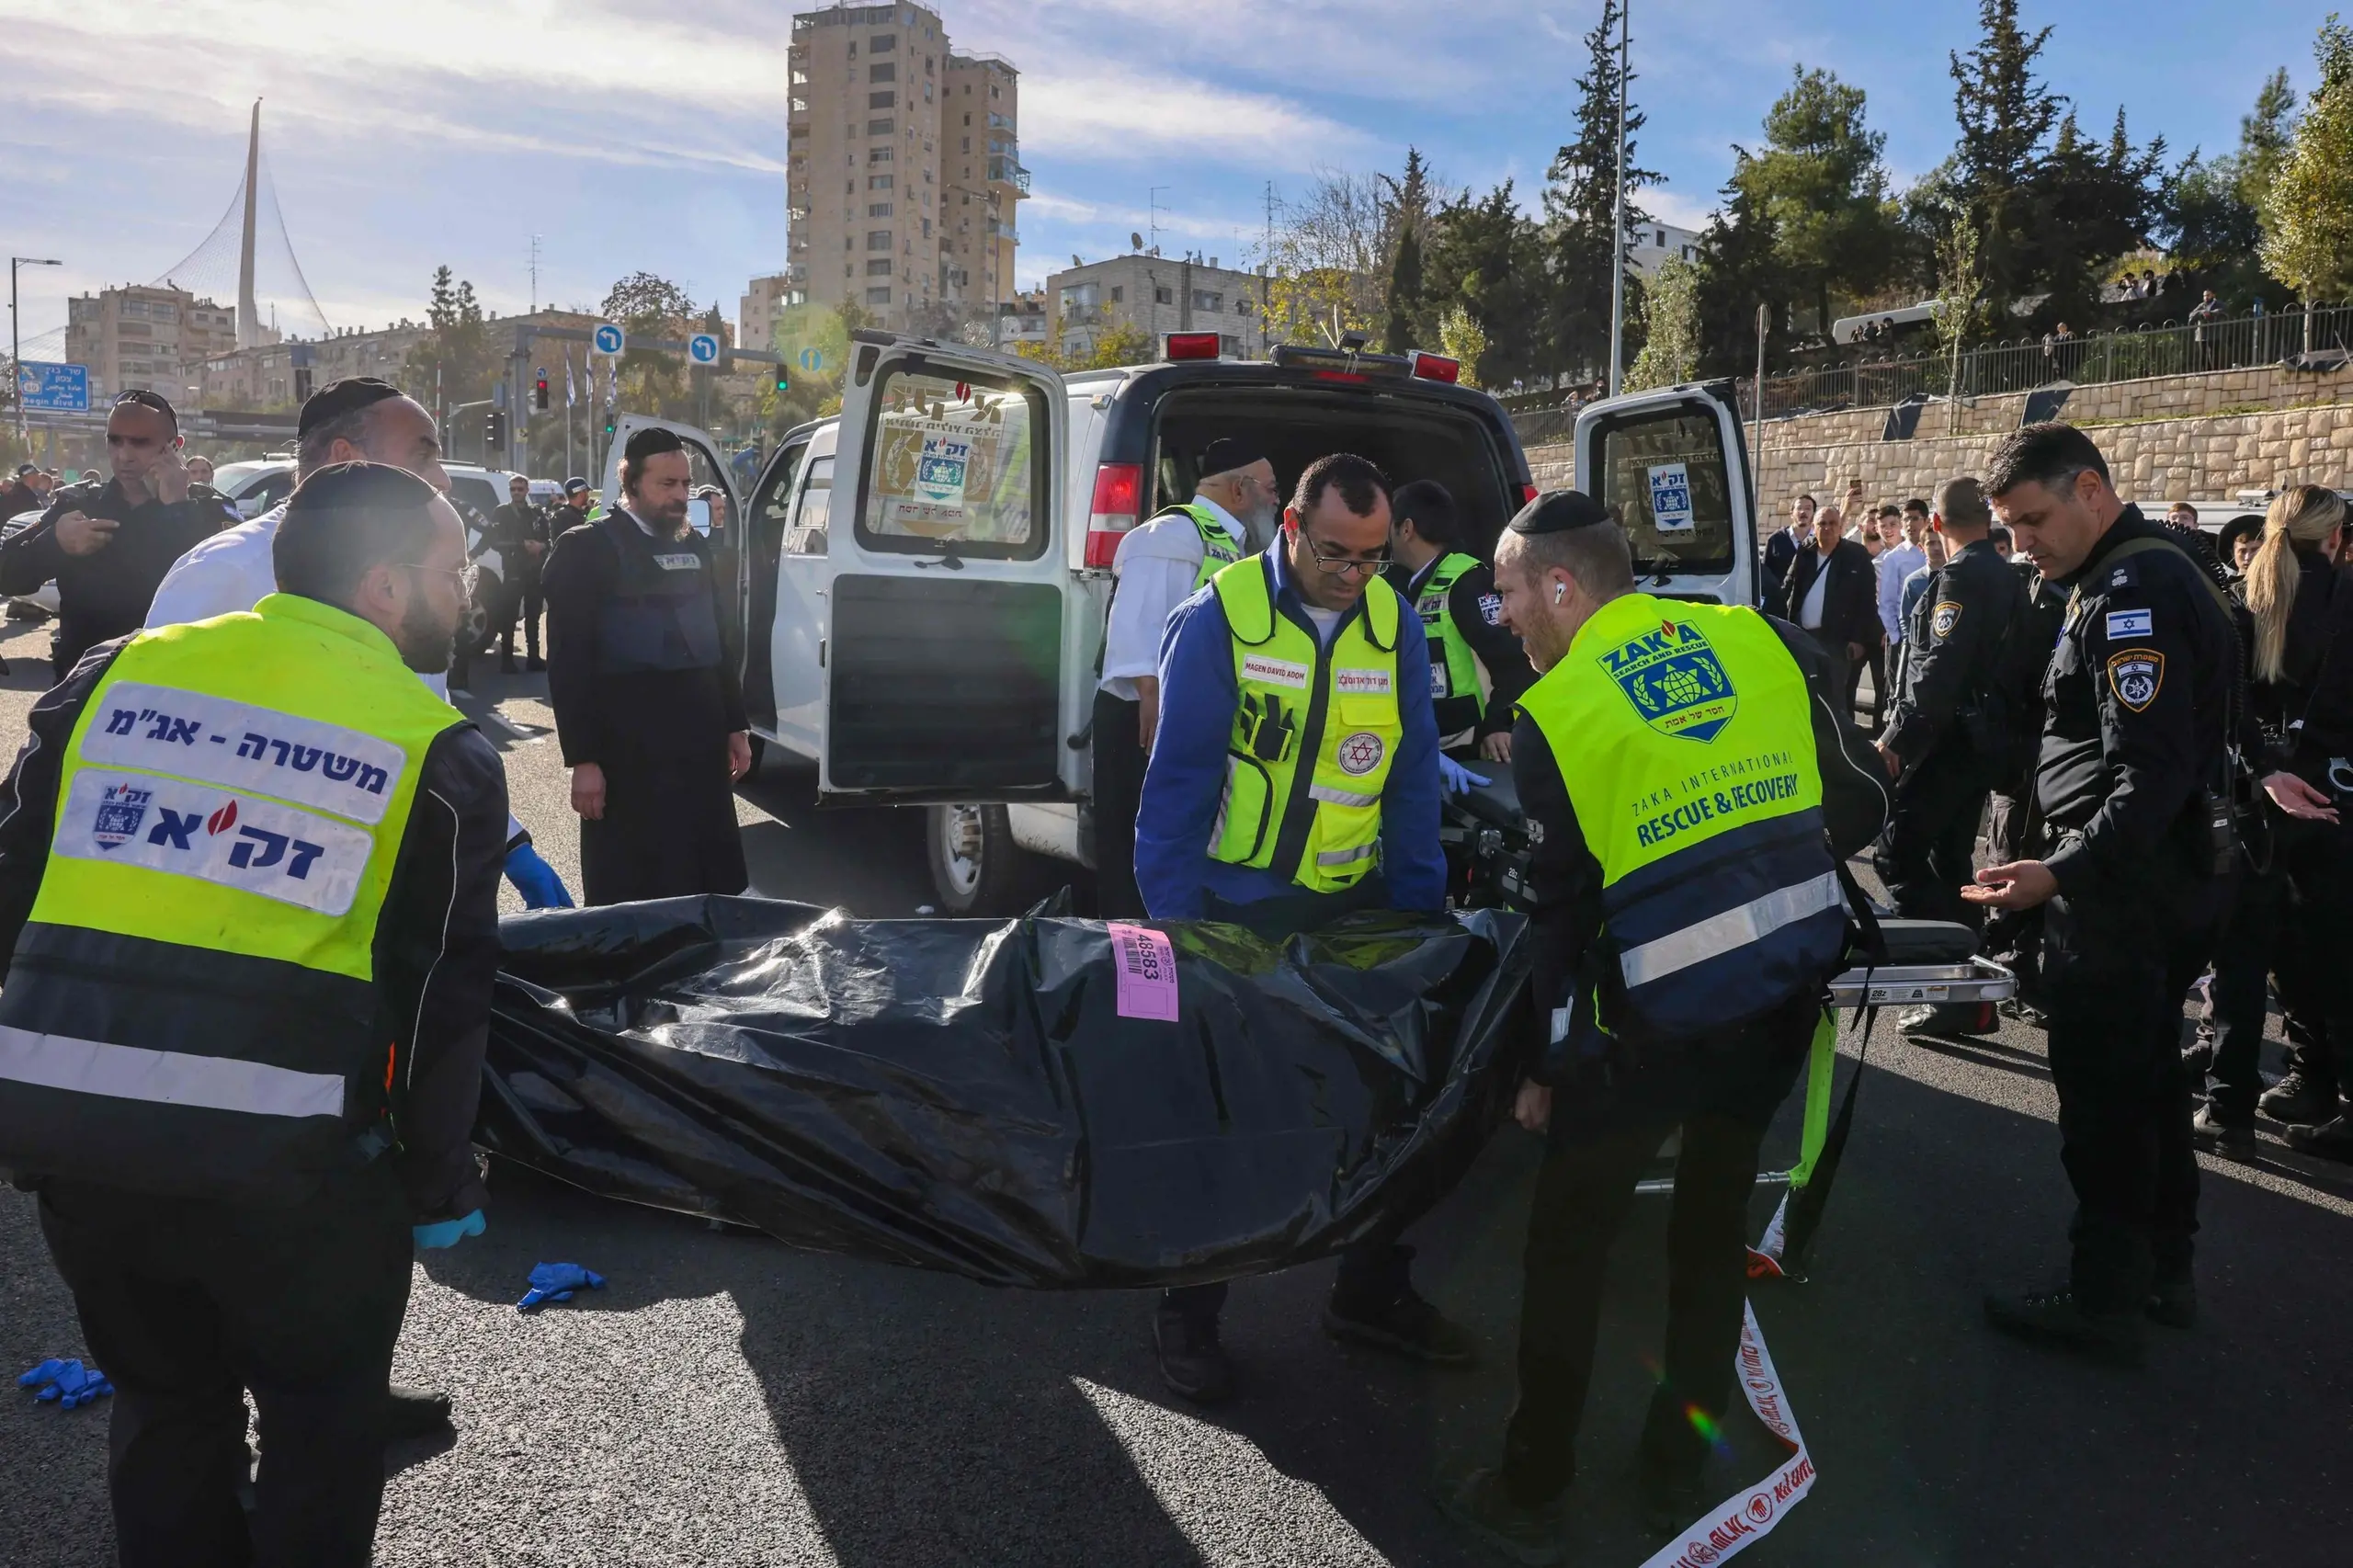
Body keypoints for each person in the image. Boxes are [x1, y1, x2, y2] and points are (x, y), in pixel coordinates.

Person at [0, 461, 506, 1567]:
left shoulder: (112, 673)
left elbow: (13, 885)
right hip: (296, 1170)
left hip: (84, 1148)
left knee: (167, 1411)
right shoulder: (434, 746)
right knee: (322, 1425)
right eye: (450, 569)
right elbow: (436, 998)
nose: (466, 592)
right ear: (383, 587)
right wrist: (434, 1178)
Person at [1438, 490, 1886, 1557]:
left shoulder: (1558, 712)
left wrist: (1545, 1063)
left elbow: (1561, 914)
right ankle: (1672, 1469)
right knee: (1707, 1233)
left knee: (1568, 1250)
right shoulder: (1753, 634)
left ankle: (1533, 1481)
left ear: (1560, 584)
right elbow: (1859, 797)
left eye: (1504, 594)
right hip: (1778, 994)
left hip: (1648, 1029)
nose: (1499, 617)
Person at [1962, 423, 2310, 1364]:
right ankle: (2163, 1267)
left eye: (2031, 519)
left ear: (2088, 489)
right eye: (2007, 527)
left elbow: (2145, 780)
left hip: (2122, 892)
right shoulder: (2141, 575)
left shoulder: (2131, 596)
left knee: (2108, 1099)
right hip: (2158, 882)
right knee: (2152, 1079)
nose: (2020, 542)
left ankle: (2103, 1294)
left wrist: (2055, 874)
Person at [1135, 451, 1465, 1403]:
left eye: (1372, 557)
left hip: (1355, 903)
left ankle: (1369, 1293)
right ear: (1289, 527)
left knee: (1383, 1104)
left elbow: (1408, 779)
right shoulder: (1223, 616)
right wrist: (1179, 931)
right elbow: (1176, 789)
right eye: (1335, 553)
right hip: (1238, 910)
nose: (1355, 574)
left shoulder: (1391, 621)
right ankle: (1187, 1311)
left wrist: (1418, 916)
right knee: (1226, 1113)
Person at [145, 376, 572, 919]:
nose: (441, 478)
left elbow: (423, 715)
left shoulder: (412, 576)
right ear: (344, 459)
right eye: (422, 455)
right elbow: (157, 743)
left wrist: (507, 840)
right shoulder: (224, 572)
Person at [2204, 486, 2353, 1160]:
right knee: (2334, 954)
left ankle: (2255, 1095)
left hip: (2259, 799)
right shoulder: (2338, 594)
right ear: (2334, 537)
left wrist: (2263, 766)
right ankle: (2327, 1091)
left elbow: (2221, 706)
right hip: (2334, 800)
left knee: (2257, 956)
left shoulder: (2242, 597)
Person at [542, 426, 751, 905]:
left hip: (699, 742)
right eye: (667, 485)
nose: (680, 496)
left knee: (705, 882)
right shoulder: (586, 548)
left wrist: (734, 726)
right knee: (633, 890)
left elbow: (718, 638)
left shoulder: (693, 545)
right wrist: (584, 760)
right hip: (627, 752)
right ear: (630, 483)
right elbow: (569, 663)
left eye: (685, 484)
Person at [1089, 438, 1274, 917]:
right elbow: (1137, 623)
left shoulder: (1234, 544)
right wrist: (1150, 694)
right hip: (1143, 715)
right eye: (1271, 489)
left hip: (1182, 713)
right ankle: (1130, 960)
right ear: (1240, 489)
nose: (1277, 499)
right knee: (1136, 845)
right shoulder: (1170, 534)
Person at [1876, 478, 2028, 1029]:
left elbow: (1938, 673)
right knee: (1950, 862)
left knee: (1898, 854)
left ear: (1936, 524)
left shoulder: (1961, 578)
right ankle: (1968, 990)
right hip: (1977, 746)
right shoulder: (2009, 577)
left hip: (1945, 746)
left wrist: (1896, 741)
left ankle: (1944, 982)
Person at [0, 391, 240, 677]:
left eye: (140, 443)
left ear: (173, 447)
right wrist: (55, 543)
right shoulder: (80, 503)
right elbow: (6, 574)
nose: (124, 455)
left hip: (176, 690)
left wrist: (177, 508)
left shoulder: (210, 509)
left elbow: (231, 593)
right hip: (87, 689)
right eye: (115, 441)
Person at [1387, 478, 1535, 760]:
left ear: (1406, 529)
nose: (1385, 540)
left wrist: (1499, 725)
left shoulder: (1467, 581)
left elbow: (1516, 661)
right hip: (1434, 749)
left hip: (1474, 750)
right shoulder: (1404, 586)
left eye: (1388, 529)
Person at [1768, 502, 1879, 712]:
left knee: (1835, 702)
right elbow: (1788, 588)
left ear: (1840, 527)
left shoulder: (1856, 556)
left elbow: (1866, 602)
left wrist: (1859, 640)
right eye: (1822, 523)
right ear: (1814, 527)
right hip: (1803, 638)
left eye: (1832, 523)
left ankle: (1840, 745)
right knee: (1805, 699)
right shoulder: (1805, 552)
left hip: (1837, 642)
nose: (1827, 528)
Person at [483, 473, 549, 672]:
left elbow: (549, 538)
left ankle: (534, 657)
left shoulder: (536, 513)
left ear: (527, 490)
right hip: (513, 570)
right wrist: (521, 545)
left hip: (534, 571)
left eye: (521, 489)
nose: (517, 493)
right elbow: (494, 541)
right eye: (513, 489)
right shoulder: (502, 512)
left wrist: (541, 546)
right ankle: (507, 660)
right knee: (509, 616)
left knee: (533, 616)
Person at [1876, 501, 1927, 682]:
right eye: (1906, 519)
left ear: (1926, 521)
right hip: (1903, 638)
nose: (1910, 524)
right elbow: (1886, 603)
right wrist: (1896, 638)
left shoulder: (1936, 552)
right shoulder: (1895, 558)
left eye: (1915, 518)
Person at [1761, 492, 1814, 593]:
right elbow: (1765, 574)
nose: (1803, 512)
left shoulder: (1819, 541)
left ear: (1814, 513)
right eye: (1799, 508)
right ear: (1791, 513)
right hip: (1780, 601)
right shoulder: (1776, 540)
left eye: (1808, 508)